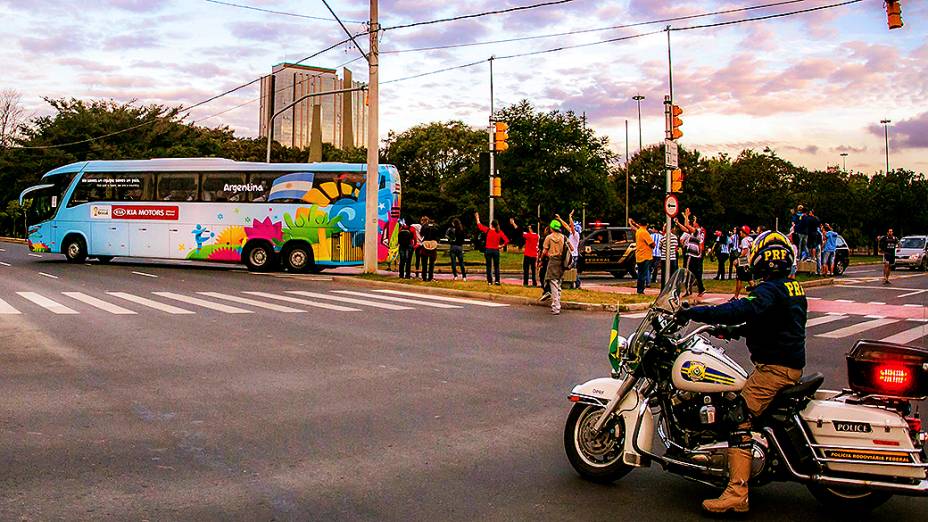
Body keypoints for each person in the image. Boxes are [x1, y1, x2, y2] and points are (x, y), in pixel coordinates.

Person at [677, 231, 807, 514]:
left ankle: (737, 493)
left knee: (738, 415)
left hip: (775, 370)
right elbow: (770, 323)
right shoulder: (790, 288)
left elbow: (739, 309)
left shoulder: (769, 291)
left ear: (764, 259)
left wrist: (695, 311)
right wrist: (730, 332)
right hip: (782, 366)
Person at [541, 219, 571, 315]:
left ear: (551, 228)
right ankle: (557, 304)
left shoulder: (549, 238)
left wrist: (541, 259)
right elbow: (572, 248)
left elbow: (544, 252)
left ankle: (556, 306)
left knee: (552, 283)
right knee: (558, 283)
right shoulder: (564, 237)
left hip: (552, 261)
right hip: (562, 262)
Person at [475, 211, 509, 285]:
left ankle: (489, 281)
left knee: (488, 266)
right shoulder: (499, 232)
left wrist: (477, 218)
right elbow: (506, 240)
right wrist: (501, 246)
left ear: (491, 224)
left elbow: (479, 225)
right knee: (496, 266)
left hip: (488, 250)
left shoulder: (488, 230)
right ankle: (497, 280)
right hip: (496, 250)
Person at [677, 210, 705, 297]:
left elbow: (686, 225)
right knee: (695, 273)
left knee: (687, 272)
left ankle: (689, 291)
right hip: (695, 255)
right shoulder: (696, 232)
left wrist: (686, 216)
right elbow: (684, 228)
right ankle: (701, 288)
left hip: (691, 255)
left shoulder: (697, 231)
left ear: (697, 224)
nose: (693, 223)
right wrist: (678, 222)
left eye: (694, 222)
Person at [628, 217, 654, 295]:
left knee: (640, 274)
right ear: (647, 224)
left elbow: (636, 227)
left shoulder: (639, 231)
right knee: (643, 274)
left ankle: (639, 289)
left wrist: (631, 222)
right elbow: (652, 244)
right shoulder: (645, 233)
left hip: (639, 255)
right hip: (646, 256)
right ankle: (641, 290)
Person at [516, 220, 539, 286]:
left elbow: (519, 231)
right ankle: (534, 282)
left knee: (526, 269)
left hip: (527, 254)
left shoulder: (528, 235)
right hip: (534, 255)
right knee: (533, 270)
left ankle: (525, 282)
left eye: (529, 228)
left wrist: (514, 223)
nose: (528, 229)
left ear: (531, 229)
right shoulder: (537, 236)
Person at [733, 226, 754, 298]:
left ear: (744, 232)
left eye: (741, 231)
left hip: (744, 260)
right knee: (749, 279)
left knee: (739, 278)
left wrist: (738, 259)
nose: (740, 232)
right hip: (749, 260)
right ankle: (756, 294)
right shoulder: (750, 239)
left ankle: (736, 297)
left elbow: (745, 251)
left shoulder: (744, 240)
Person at [418, 217, 440, 282]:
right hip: (433, 244)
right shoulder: (436, 226)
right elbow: (439, 235)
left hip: (425, 244)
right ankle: (430, 277)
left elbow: (421, 234)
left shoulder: (424, 226)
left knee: (424, 263)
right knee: (431, 263)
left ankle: (424, 277)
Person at [537, 226, 552, 301]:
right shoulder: (556, 238)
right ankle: (549, 291)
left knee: (542, 275)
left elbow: (542, 251)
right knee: (551, 277)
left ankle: (547, 290)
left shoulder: (545, 239)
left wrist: (540, 260)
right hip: (554, 260)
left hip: (546, 260)